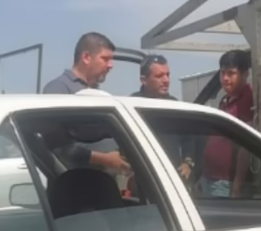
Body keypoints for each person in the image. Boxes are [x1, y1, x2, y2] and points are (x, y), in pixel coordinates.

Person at [42, 32, 129, 172]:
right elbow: (57, 146)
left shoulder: (96, 93)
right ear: (86, 57)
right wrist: (104, 159)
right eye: (105, 59)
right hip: (74, 182)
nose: (110, 65)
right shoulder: (59, 89)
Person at [130, 54, 195, 183]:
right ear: (144, 80)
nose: (166, 80)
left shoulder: (175, 106)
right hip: (143, 178)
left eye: (167, 75)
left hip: (171, 179)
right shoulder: (131, 105)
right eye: (159, 76)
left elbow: (189, 138)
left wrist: (187, 163)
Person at [201, 50, 255, 198]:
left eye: (231, 73)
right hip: (210, 178)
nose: (225, 78)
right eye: (222, 73)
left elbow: (246, 145)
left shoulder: (247, 99)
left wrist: (237, 186)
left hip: (227, 184)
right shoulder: (226, 100)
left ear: (245, 74)